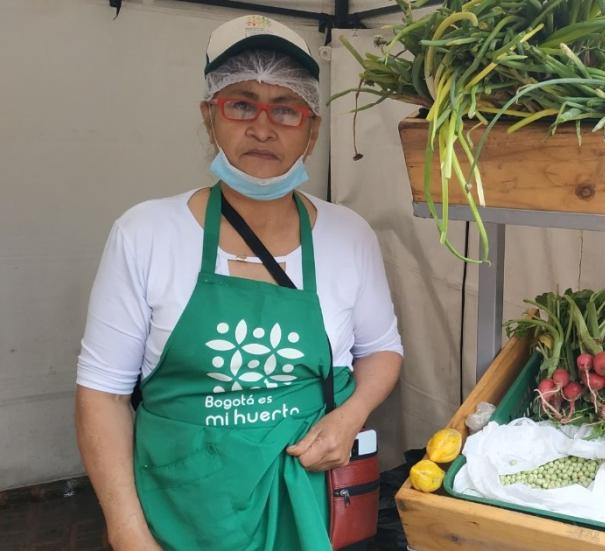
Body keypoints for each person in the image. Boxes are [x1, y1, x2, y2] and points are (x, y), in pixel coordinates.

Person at [74, 14, 403, 550]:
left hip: (310, 502)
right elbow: (103, 394)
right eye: (242, 103)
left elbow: (381, 349)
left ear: (312, 128)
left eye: (287, 109)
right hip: (184, 507)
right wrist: (128, 531)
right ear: (210, 117)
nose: (263, 127)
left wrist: (351, 416)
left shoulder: (349, 234)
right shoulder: (146, 233)